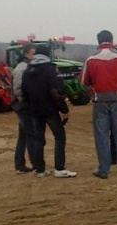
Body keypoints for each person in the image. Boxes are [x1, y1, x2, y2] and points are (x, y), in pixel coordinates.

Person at [81, 30, 117, 179]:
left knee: (102, 136)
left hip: (100, 102)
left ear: (98, 41)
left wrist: (92, 90)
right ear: (111, 41)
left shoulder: (91, 59)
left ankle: (103, 169)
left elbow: (83, 82)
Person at [21, 44, 77, 178]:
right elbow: (55, 92)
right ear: (47, 55)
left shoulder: (27, 70)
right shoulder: (50, 69)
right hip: (50, 110)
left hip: (34, 111)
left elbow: (24, 92)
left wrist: (29, 107)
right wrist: (64, 109)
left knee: (38, 139)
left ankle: (40, 169)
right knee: (59, 137)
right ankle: (59, 168)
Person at [10, 43, 36, 174]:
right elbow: (18, 89)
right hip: (22, 106)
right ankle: (35, 164)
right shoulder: (22, 68)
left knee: (24, 135)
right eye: (33, 53)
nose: (34, 56)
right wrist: (25, 103)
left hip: (21, 105)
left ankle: (20, 164)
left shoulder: (25, 66)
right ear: (26, 54)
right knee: (30, 133)